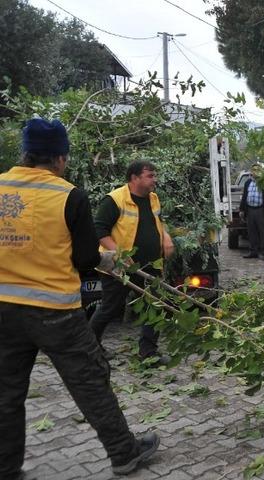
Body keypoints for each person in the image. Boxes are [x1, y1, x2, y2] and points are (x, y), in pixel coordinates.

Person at [0, 119, 159, 479]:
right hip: (54, 310)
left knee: (7, 392)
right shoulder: (67, 194)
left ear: (25, 153)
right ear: (59, 157)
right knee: (90, 382)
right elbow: (86, 257)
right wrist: (108, 260)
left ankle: (6, 467)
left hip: (3, 310)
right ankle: (124, 453)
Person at [89, 160, 175, 364]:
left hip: (150, 265)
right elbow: (99, 230)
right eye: (150, 176)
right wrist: (119, 254)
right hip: (120, 267)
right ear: (134, 178)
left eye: (155, 175)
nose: (155, 180)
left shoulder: (153, 198)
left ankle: (148, 353)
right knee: (111, 307)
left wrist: (166, 237)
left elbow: (158, 222)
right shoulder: (114, 200)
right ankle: (90, 348)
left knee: (154, 305)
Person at [239, 163, 264, 260]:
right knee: (251, 232)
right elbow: (244, 197)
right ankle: (253, 252)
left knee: (263, 232)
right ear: (251, 171)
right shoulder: (248, 182)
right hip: (250, 210)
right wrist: (242, 209)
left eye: (257, 170)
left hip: (261, 210)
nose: (255, 172)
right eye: (253, 170)